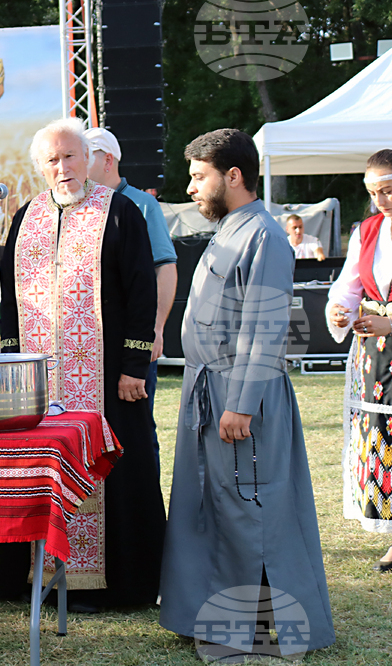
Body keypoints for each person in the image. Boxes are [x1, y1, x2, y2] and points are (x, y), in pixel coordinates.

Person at [159, 129, 334, 657]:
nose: (191, 188)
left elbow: (265, 328)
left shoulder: (264, 234)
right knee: (213, 509)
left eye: (198, 176)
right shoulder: (232, 228)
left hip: (241, 398)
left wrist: (241, 403)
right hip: (210, 389)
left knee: (248, 512)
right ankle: (217, 619)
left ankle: (244, 628)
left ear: (233, 176)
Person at [0, 117, 165, 611]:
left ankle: (120, 585)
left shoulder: (120, 211)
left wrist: (134, 364)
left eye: (71, 156)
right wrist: (11, 368)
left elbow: (142, 291)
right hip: (40, 382)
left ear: (88, 159)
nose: (63, 167)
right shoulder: (25, 217)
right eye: (52, 160)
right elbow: (11, 303)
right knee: (37, 471)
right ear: (39, 167)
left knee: (121, 474)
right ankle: (31, 578)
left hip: (110, 382)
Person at [86, 127, 177, 468]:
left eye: (85, 153)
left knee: (136, 431)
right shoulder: (78, 206)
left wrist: (155, 329)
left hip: (131, 342)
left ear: (107, 159)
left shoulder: (142, 203)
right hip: (92, 347)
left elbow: (164, 267)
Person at [326, 149, 392, 573]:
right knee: (383, 437)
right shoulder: (367, 230)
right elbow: (350, 285)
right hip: (376, 356)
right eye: (373, 192)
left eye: (388, 189)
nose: (381, 200)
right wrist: (340, 310)